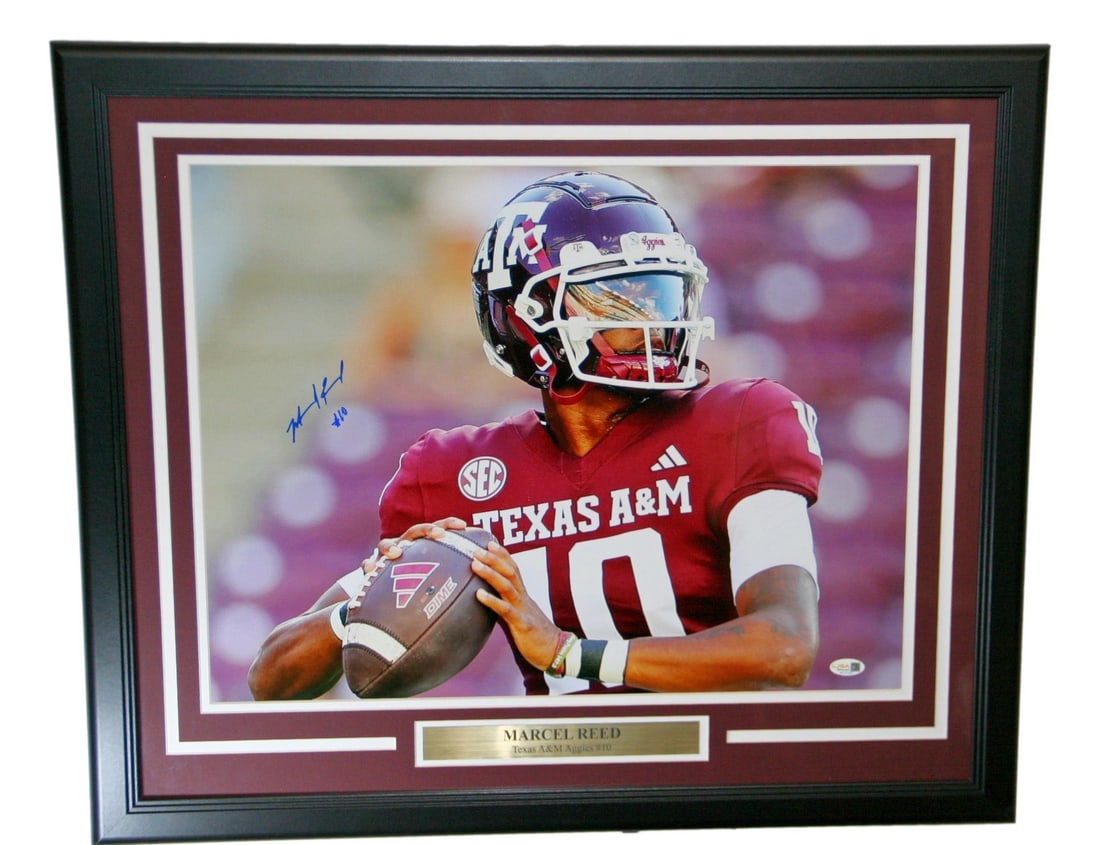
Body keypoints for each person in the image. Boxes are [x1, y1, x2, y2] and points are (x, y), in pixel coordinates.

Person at [248, 171, 823, 698]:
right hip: (563, 775)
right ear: (528, 317)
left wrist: (571, 654)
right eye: (619, 296)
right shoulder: (458, 474)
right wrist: (361, 609)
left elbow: (784, 647)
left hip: (717, 772)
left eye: (660, 293)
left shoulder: (741, 421)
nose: (655, 319)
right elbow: (272, 678)